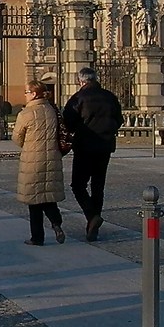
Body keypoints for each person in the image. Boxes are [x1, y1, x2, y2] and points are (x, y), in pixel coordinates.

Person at [60, 67, 123, 241]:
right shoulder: (110, 97)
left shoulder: (78, 98)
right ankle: (92, 226)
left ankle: (92, 216)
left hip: (84, 147)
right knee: (98, 186)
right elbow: (119, 120)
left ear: (81, 81)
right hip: (105, 147)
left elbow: (68, 122)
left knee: (78, 185)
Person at [11, 83, 65, 246]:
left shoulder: (26, 113)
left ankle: (37, 237)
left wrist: (28, 145)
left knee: (34, 200)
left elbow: (17, 137)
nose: (25, 95)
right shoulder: (52, 111)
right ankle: (56, 223)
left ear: (34, 94)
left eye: (27, 92)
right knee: (48, 194)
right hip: (53, 157)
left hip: (32, 159)